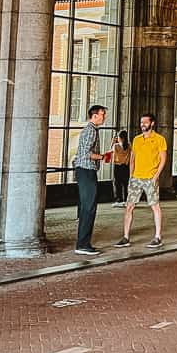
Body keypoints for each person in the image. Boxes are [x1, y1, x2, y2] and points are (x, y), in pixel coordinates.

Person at [116, 113, 167, 248]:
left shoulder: (159, 139)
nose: (142, 124)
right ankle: (126, 237)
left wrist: (156, 177)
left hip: (150, 177)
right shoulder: (137, 140)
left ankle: (158, 237)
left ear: (152, 123)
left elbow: (163, 159)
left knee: (154, 206)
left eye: (145, 122)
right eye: (141, 122)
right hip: (136, 178)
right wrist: (131, 176)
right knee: (129, 206)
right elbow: (132, 159)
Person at [74, 104, 106, 255]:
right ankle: (82, 245)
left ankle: (84, 243)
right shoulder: (90, 131)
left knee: (88, 207)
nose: (104, 117)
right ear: (94, 116)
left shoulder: (91, 130)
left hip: (86, 171)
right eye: (102, 114)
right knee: (89, 207)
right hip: (86, 170)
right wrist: (103, 157)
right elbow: (86, 153)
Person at [110, 129, 130, 206]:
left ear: (121, 137)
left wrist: (112, 142)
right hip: (126, 166)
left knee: (117, 183)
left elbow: (111, 152)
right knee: (125, 184)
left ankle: (119, 199)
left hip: (117, 166)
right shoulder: (129, 145)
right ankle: (126, 199)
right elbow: (130, 156)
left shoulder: (116, 146)